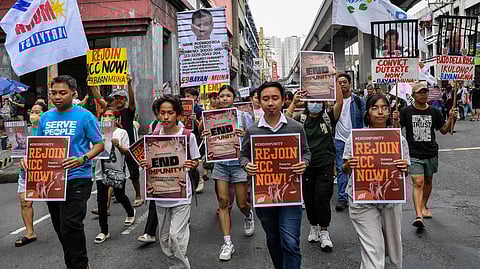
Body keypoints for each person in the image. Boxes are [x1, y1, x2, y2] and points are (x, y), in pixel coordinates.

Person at [22, 75, 105, 269]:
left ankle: (80, 265)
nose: (57, 96)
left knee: (71, 225)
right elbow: (37, 145)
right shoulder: (45, 117)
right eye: (54, 93)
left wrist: (82, 158)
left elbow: (99, 144)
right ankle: (73, 264)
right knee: (61, 228)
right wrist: (28, 159)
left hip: (78, 178)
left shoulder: (85, 116)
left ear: (73, 93)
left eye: (62, 93)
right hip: (51, 180)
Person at [240, 81, 311, 269]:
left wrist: (304, 163)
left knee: (290, 242)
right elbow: (243, 155)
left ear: (283, 100)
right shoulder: (252, 130)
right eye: (265, 99)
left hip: (290, 195)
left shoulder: (296, 127)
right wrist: (247, 165)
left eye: (275, 98)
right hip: (264, 195)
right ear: (259, 102)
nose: (270, 103)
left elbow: (306, 152)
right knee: (273, 238)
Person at [343, 94, 409, 269]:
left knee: (394, 248)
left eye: (384, 107)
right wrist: (350, 164)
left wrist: (404, 167)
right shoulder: (356, 138)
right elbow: (344, 169)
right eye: (374, 108)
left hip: (390, 200)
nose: (380, 112)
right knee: (373, 248)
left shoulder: (399, 140)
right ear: (368, 113)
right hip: (362, 200)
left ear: (390, 111)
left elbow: (405, 172)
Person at [140, 95, 200, 269]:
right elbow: (147, 162)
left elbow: (196, 159)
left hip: (181, 195)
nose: (166, 117)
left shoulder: (188, 136)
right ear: (157, 115)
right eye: (162, 113)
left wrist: (192, 164)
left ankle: (181, 267)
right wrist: (145, 163)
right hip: (160, 196)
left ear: (178, 115)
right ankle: (173, 264)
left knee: (176, 235)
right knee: (165, 239)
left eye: (170, 113)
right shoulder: (152, 137)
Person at [286, 77, 343, 252]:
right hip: (306, 166)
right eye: (311, 101)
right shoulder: (299, 119)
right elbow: (285, 121)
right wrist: (294, 102)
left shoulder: (328, 117)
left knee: (322, 197)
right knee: (309, 199)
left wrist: (334, 78)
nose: (315, 104)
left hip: (325, 164)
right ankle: (314, 226)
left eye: (318, 100)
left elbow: (340, 102)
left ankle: (324, 231)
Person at [201, 85, 255, 261]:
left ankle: (248, 215)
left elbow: (254, 137)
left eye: (228, 95)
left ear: (234, 98)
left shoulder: (243, 116)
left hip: (239, 164)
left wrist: (244, 133)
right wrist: (206, 135)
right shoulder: (210, 118)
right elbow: (207, 138)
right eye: (221, 96)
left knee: (241, 203)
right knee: (223, 202)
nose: (224, 98)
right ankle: (227, 243)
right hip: (221, 164)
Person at [393, 81, 456, 229]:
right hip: (414, 153)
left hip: (431, 152)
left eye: (425, 92)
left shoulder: (434, 111)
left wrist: (452, 119)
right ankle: (418, 216)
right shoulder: (406, 111)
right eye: (420, 92)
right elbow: (397, 131)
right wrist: (395, 120)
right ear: (413, 95)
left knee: (428, 181)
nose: (423, 94)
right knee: (418, 182)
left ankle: (424, 205)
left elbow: (444, 130)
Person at [94, 107, 136, 244]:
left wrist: (117, 145)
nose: (107, 118)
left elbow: (127, 152)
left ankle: (130, 212)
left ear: (116, 119)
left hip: (117, 171)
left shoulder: (121, 132)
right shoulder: (97, 133)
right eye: (105, 115)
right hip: (101, 172)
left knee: (119, 195)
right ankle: (104, 230)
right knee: (101, 201)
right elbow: (92, 150)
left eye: (110, 115)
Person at [14, 101, 48, 247]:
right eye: (32, 111)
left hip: (44, 172)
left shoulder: (48, 130)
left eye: (37, 112)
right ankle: (30, 232)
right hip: (26, 172)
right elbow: (18, 150)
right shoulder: (23, 131)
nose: (33, 114)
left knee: (56, 204)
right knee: (25, 202)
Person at [334, 73, 367, 211]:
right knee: (342, 169)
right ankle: (342, 198)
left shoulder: (359, 101)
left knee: (358, 168)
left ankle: (359, 194)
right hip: (339, 140)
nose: (341, 84)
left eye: (344, 82)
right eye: (339, 82)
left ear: (350, 83)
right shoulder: (332, 102)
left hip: (356, 139)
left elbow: (366, 120)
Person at [109, 75, 143, 207]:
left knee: (134, 173)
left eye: (121, 99)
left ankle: (138, 195)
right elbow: (99, 99)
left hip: (130, 148)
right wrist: (92, 85)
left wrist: (129, 84)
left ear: (125, 100)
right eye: (115, 99)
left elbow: (133, 102)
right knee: (113, 172)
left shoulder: (128, 112)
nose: (118, 101)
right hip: (114, 148)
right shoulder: (110, 113)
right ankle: (110, 202)